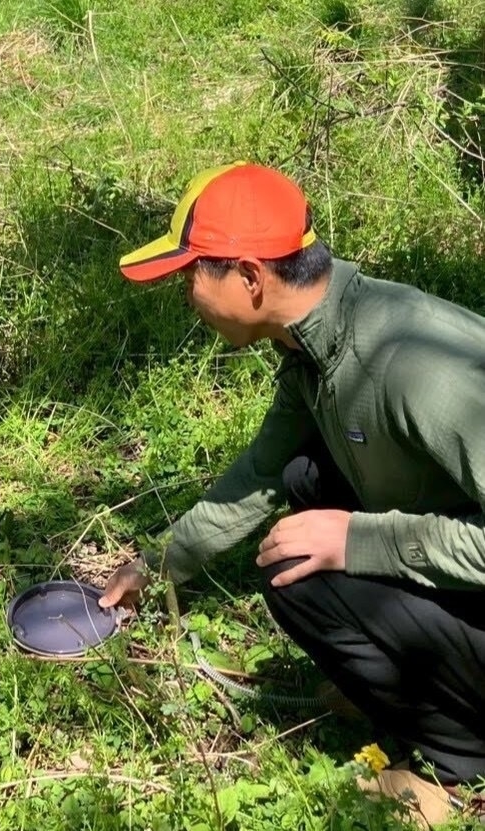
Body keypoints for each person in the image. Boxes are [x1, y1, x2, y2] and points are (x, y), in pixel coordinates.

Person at [101, 162, 485, 829]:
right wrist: (157, 565)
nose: (187, 296)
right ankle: (417, 671)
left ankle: (456, 762)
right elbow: (263, 472)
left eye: (192, 276)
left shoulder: (413, 368)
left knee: (297, 575)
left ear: (250, 277)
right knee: (306, 474)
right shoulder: (320, 342)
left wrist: (360, 541)